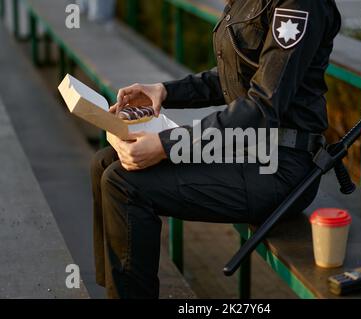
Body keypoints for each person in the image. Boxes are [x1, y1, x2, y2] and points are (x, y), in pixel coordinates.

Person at [91, 0, 341, 298]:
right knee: (106, 162)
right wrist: (166, 91)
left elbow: (261, 108)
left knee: (124, 183)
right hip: (248, 150)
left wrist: (166, 144)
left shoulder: (299, 5)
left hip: (281, 169)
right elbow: (233, 78)